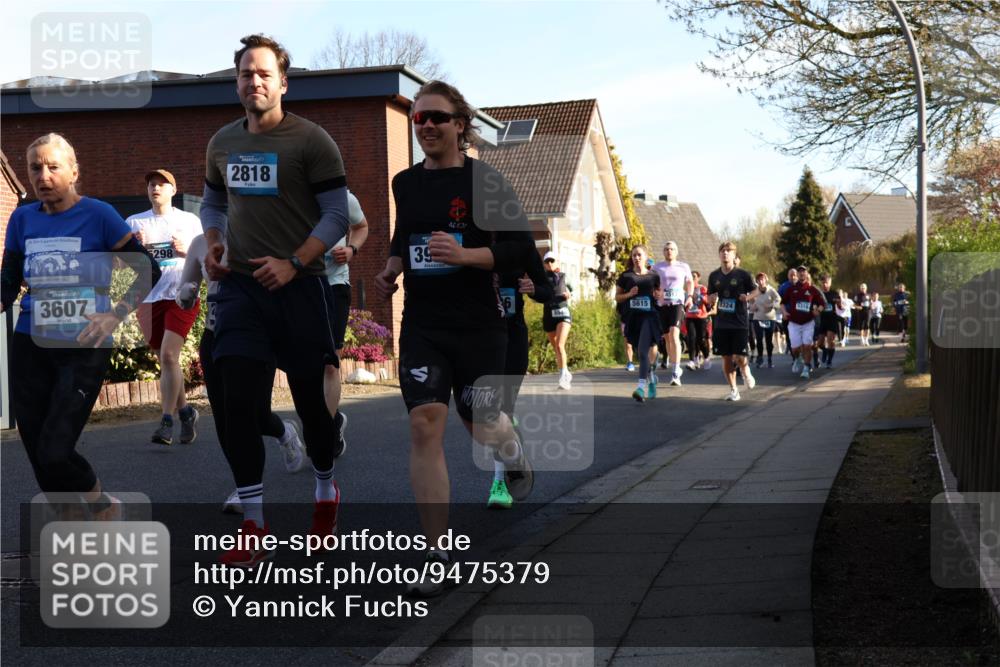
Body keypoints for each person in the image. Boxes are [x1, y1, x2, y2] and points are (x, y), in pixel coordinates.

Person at [373, 80, 536, 597]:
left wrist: (465, 256)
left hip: (480, 325)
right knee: (425, 423)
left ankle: (511, 452)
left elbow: (518, 251)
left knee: (483, 424)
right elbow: (407, 234)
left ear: (460, 124)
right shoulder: (405, 182)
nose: (426, 126)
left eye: (437, 118)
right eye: (418, 119)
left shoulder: (485, 181)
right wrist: (394, 266)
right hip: (423, 323)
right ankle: (437, 550)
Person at [200, 34, 352, 567]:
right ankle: (254, 522)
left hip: (300, 285)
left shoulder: (312, 141)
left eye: (264, 73)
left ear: (283, 83)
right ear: (236, 81)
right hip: (240, 287)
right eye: (246, 73)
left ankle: (326, 487)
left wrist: (293, 260)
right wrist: (215, 240)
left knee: (313, 406)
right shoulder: (221, 142)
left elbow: (336, 215)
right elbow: (214, 201)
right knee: (239, 403)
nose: (254, 81)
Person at [1, 133, 160, 518]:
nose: (43, 175)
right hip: (31, 344)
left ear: (73, 171)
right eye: (35, 167)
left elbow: (147, 270)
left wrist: (115, 314)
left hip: (84, 346)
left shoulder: (99, 214)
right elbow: (8, 279)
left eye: (53, 166)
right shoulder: (22, 218)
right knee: (37, 447)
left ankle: (103, 506)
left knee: (55, 449)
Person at [175, 235, 307, 514]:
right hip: (214, 337)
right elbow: (184, 292)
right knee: (226, 420)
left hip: (254, 336)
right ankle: (244, 487)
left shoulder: (260, 235)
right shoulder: (200, 243)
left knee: (255, 415)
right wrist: (186, 294)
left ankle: (284, 431)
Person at [126, 169, 203, 445]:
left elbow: (206, 257)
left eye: (161, 184)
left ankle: (166, 422)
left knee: (170, 356)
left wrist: (187, 251)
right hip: (148, 300)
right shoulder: (134, 222)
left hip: (182, 294)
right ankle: (186, 412)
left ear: (173, 189)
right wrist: (138, 250)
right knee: (165, 360)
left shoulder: (189, 221)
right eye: (151, 184)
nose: (155, 188)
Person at [492, 246, 553, 509]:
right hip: (480, 340)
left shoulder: (520, 246)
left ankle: (500, 482)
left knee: (500, 410)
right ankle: (512, 444)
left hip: (513, 340)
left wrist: (533, 288)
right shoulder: (468, 242)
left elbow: (547, 290)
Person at [322, 189, 370, 453]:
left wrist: (352, 249)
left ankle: (327, 431)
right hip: (300, 285)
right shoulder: (293, 195)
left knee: (330, 362)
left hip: (335, 284)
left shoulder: (344, 198)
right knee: (306, 364)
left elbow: (361, 227)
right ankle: (332, 418)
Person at [706, 242, 758, 401]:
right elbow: (709, 297)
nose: (725, 253)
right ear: (719, 254)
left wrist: (747, 297)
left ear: (734, 256)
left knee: (739, 357)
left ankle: (745, 369)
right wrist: (711, 299)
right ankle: (734, 390)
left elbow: (756, 290)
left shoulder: (743, 274)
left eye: (728, 251)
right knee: (727, 358)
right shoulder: (714, 276)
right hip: (721, 323)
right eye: (722, 251)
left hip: (739, 322)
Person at [616, 246, 664, 402]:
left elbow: (660, 295)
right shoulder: (626, 276)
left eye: (639, 255)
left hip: (649, 317)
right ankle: (650, 378)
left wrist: (658, 295)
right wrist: (629, 294)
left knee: (643, 351)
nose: (636, 257)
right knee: (639, 351)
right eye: (634, 255)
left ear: (645, 257)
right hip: (633, 318)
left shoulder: (653, 276)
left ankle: (640, 387)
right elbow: (617, 297)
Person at [651, 241, 693, 386]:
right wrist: (655, 293)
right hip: (662, 305)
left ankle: (676, 371)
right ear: (663, 252)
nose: (669, 251)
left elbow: (689, 283)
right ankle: (674, 365)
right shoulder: (657, 267)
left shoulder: (683, 266)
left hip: (677, 303)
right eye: (667, 249)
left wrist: (690, 296)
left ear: (676, 252)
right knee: (668, 338)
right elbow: (652, 283)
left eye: (672, 249)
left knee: (674, 334)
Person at [781, 266, 827, 379]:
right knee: (795, 348)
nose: (801, 274)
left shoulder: (812, 289)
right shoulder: (791, 289)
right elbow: (782, 303)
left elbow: (823, 304)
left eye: (804, 272)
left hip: (808, 322)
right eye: (799, 272)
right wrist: (784, 312)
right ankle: (797, 358)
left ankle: (806, 368)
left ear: (807, 274)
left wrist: (818, 311)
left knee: (807, 346)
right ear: (797, 275)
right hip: (794, 323)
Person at [541, 251, 573, 389]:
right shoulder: (541, 278)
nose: (550, 264)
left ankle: (564, 377)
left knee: (560, 345)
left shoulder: (564, 276)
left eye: (552, 261)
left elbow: (572, 289)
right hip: (548, 314)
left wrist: (569, 294)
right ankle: (565, 372)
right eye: (547, 262)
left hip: (563, 312)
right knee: (556, 348)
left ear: (557, 262)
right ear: (544, 264)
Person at [749, 272, 781, 368]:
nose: (761, 281)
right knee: (758, 338)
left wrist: (774, 306)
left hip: (770, 318)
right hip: (758, 318)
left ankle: (770, 358)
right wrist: (752, 307)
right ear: (757, 281)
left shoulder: (771, 290)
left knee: (768, 339)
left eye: (762, 279)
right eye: (759, 279)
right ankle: (760, 358)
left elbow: (778, 299)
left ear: (765, 280)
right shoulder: (755, 291)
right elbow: (750, 301)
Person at [684, 270, 712, 371]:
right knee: (691, 338)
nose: (692, 278)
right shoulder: (686, 289)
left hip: (701, 317)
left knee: (701, 339)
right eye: (691, 276)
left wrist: (700, 296)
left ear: (698, 278)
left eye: (694, 276)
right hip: (689, 316)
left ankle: (706, 357)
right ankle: (692, 360)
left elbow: (708, 302)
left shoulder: (702, 288)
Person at [816, 274, 841, 369]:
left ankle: (829, 361)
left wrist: (839, 304)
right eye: (823, 283)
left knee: (831, 340)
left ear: (830, 283)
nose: (824, 284)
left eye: (826, 282)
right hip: (822, 320)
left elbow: (840, 307)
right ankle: (825, 351)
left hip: (832, 319)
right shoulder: (819, 294)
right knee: (819, 343)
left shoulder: (835, 293)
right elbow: (815, 305)